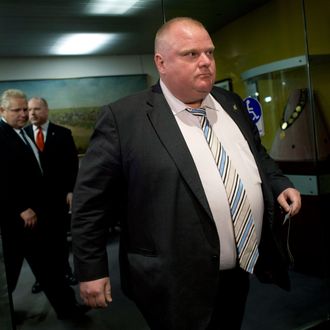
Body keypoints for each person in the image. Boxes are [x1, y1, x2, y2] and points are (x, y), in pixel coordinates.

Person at [71, 17, 301, 330]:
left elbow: (257, 155)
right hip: (172, 280)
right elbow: (90, 204)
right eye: (191, 54)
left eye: (210, 52)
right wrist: (91, 269)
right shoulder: (123, 118)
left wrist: (278, 183)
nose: (206, 62)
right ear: (160, 62)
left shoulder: (230, 103)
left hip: (239, 270)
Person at [0, 89, 89, 320]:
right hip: (19, 219)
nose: (23, 114)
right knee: (13, 269)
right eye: (17, 110)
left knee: (48, 266)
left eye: (24, 109)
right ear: (2, 111)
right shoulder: (2, 135)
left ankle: (67, 309)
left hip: (37, 216)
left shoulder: (19, 132)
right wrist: (21, 208)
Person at [25, 97, 79, 294]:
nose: (32, 114)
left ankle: (65, 271)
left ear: (46, 110)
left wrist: (71, 190)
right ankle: (43, 278)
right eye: (29, 110)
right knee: (38, 243)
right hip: (34, 203)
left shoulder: (63, 134)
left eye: (36, 109)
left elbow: (72, 165)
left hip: (58, 198)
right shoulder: (23, 135)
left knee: (58, 239)